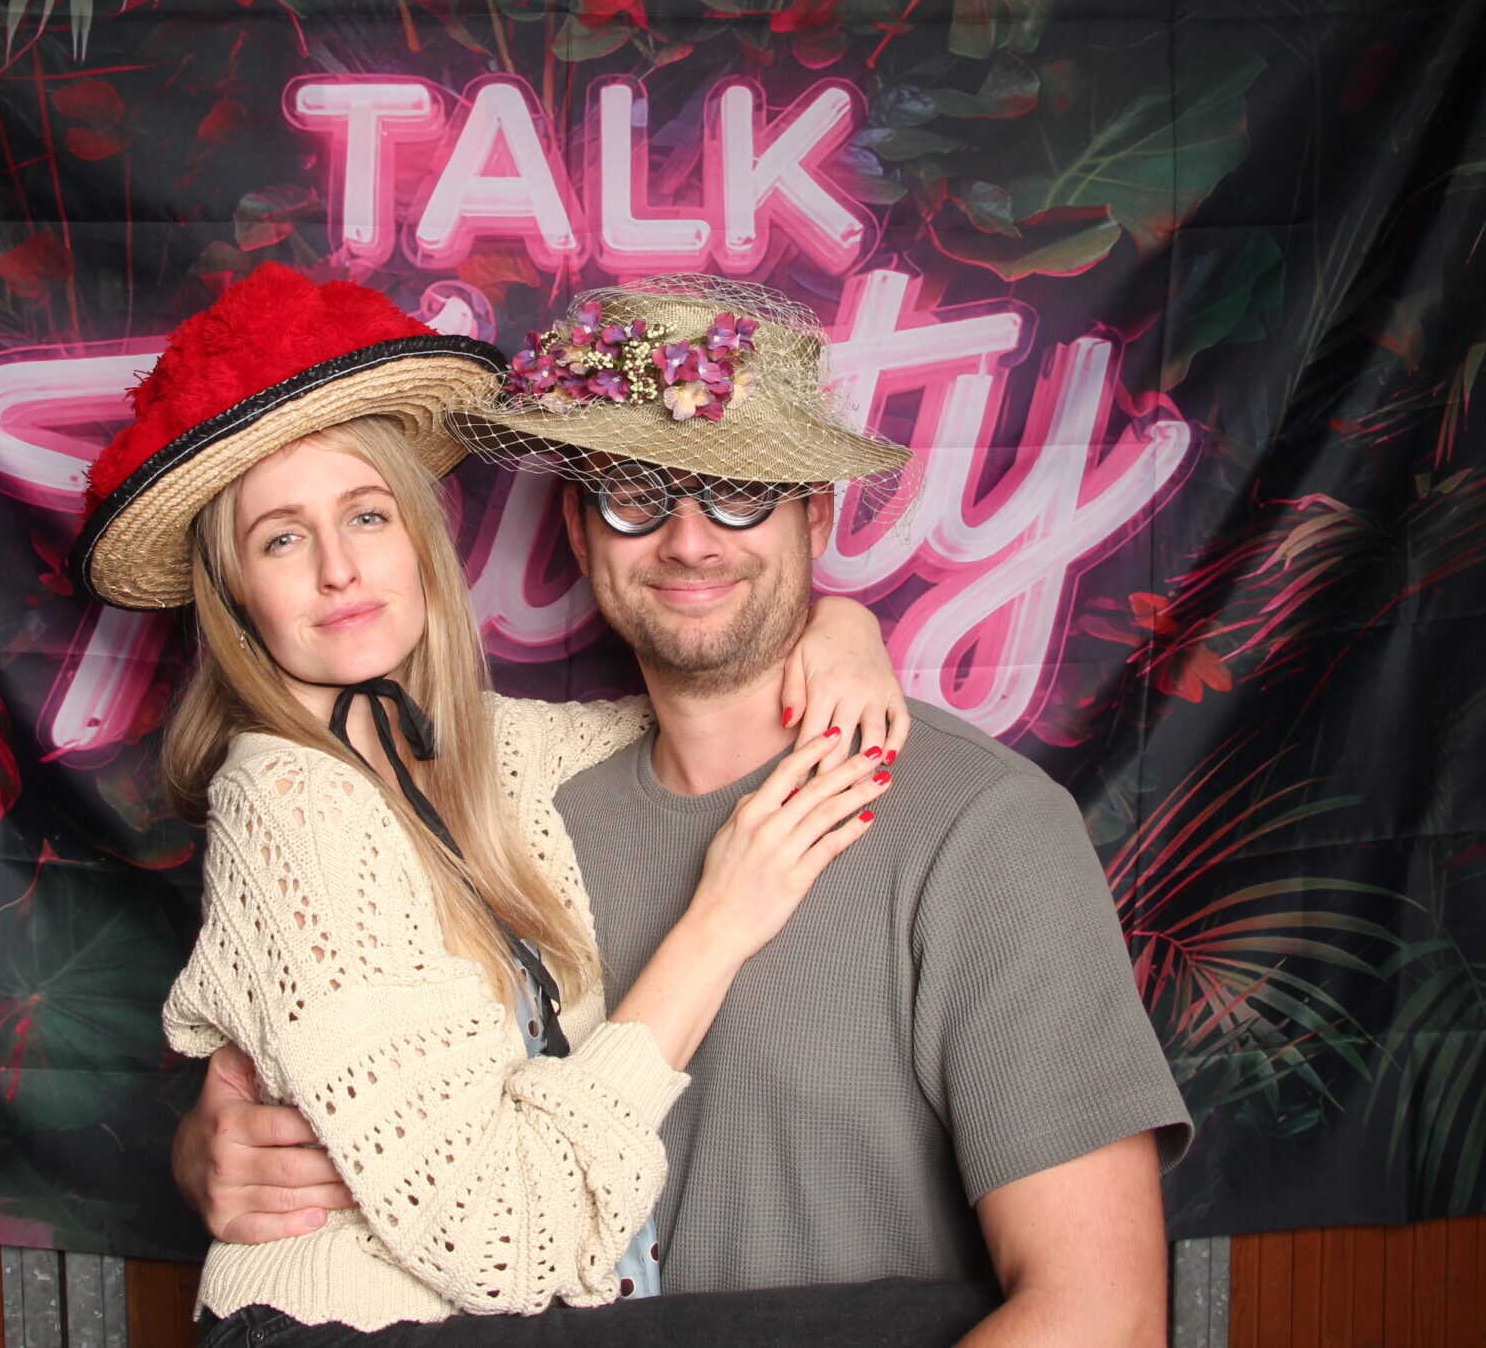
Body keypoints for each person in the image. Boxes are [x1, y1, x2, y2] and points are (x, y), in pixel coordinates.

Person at [180, 277, 1194, 1348]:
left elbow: (1104, 1317)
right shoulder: (518, 816)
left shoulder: (981, 830)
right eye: (635, 492)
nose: (691, 541)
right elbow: (391, 1089)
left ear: (816, 515)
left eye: (740, 491)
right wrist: (217, 1136)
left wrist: (843, 623)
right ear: (580, 534)